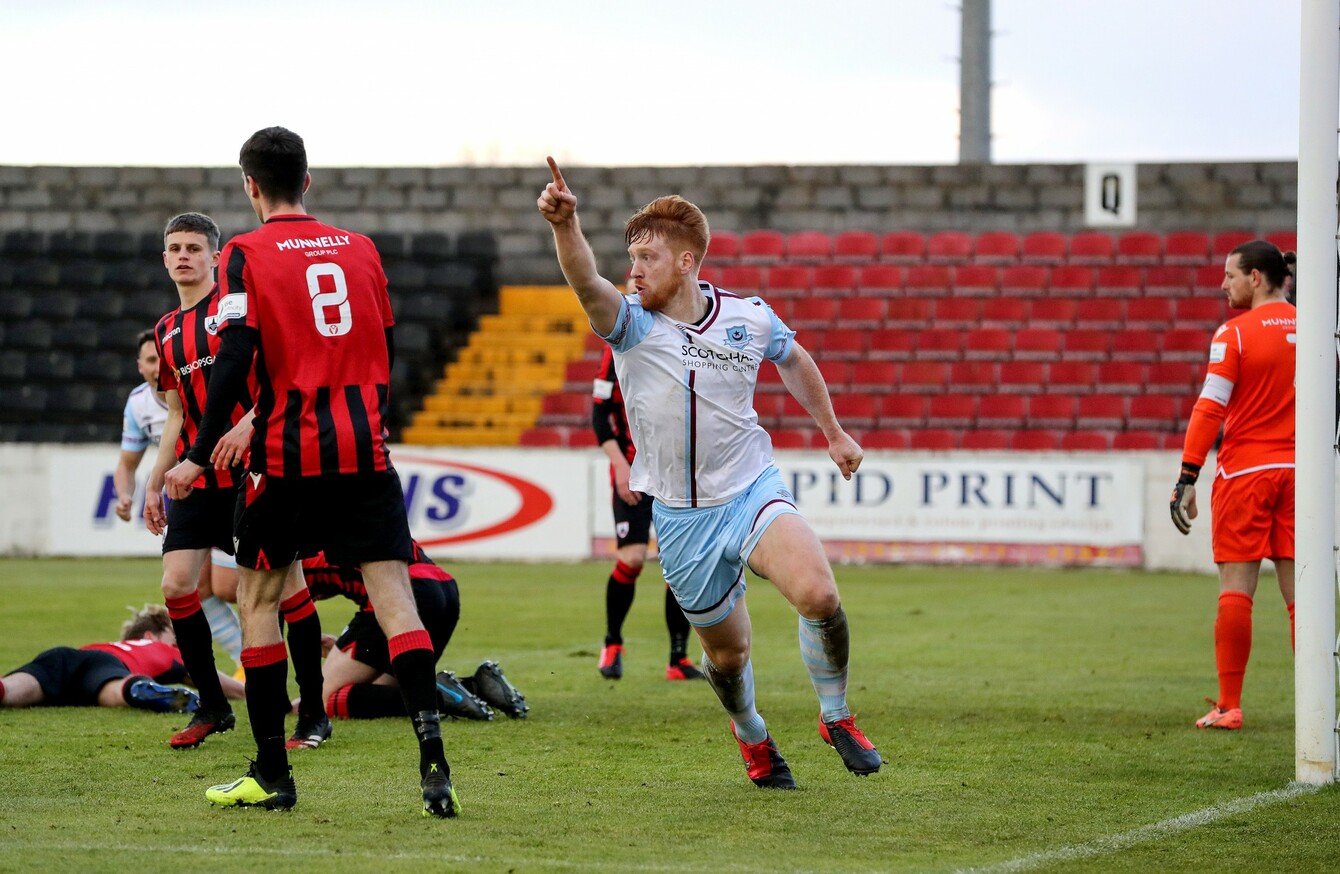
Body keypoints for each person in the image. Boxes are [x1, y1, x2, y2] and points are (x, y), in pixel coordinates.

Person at [538, 159, 881, 789]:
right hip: (680, 516)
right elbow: (586, 279)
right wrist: (567, 225)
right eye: (630, 255)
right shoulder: (631, 327)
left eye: (645, 255)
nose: (632, 268)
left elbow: (794, 356)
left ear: (688, 261)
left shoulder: (748, 317)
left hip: (752, 489)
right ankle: (752, 733)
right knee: (728, 656)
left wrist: (833, 432)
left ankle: (835, 716)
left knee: (820, 596)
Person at [165, 127, 459, 817]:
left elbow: (235, 355)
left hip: (285, 458)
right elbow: (387, 344)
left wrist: (199, 453)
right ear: (308, 180)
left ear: (249, 185)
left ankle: (272, 773)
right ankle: (434, 761)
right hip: (364, 452)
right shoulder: (360, 249)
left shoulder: (243, 252)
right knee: (395, 600)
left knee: (259, 602)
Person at [143, 212, 327, 753]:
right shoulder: (165, 331)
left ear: (215, 257)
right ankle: (213, 704)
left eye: (194, 248)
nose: (183, 256)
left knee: (284, 589)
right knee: (178, 585)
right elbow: (175, 414)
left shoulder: (237, 311)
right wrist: (156, 483)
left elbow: (282, 378)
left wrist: (248, 426)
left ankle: (312, 711)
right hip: (196, 477)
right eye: (174, 247)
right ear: (164, 258)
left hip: (253, 469)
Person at [1170, 239, 1297, 731]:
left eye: (1230, 275)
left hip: (1246, 474)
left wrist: (1187, 475)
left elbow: (1210, 407)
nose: (1223, 284)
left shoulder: (1234, 334)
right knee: (1300, 596)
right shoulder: (1315, 328)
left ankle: (1229, 706)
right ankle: (1321, 706)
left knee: (1237, 591)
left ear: (1256, 278)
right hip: (1301, 475)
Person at [115, 330, 244, 669]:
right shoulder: (139, 404)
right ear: (140, 366)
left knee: (229, 586)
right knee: (190, 586)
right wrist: (128, 495)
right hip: (187, 491)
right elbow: (127, 463)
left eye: (161, 358)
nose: (157, 367)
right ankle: (245, 659)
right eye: (150, 360)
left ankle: (263, 650)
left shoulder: (193, 385)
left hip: (231, 482)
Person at [306, 541, 528, 722]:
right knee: (375, 691)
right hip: (444, 587)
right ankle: (477, 687)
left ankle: (438, 694)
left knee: (327, 701)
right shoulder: (359, 517)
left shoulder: (289, 559)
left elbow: (277, 623)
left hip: (405, 592)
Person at [591, 343, 703, 682]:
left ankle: (678, 660)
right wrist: (621, 466)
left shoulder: (677, 339)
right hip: (632, 471)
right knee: (633, 558)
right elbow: (599, 414)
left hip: (673, 473)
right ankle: (612, 644)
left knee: (680, 567)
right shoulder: (616, 349)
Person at [0, 604, 243, 711]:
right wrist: (250, 692)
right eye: (173, 641)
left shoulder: (113, 645)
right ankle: (139, 689)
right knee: (111, 687)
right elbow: (206, 675)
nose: (176, 647)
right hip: (105, 668)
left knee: (12, 690)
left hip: (63, 657)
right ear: (150, 635)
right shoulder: (156, 648)